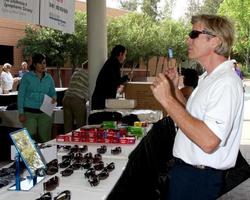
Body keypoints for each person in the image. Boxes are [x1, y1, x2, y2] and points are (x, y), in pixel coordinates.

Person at [151, 14, 244, 200]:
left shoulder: (226, 82)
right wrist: (175, 90)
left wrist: (167, 100)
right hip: (189, 174)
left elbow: (209, 141)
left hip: (199, 178)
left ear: (215, 41)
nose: (188, 39)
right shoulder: (209, 78)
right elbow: (193, 118)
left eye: (194, 33)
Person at [18, 53, 57, 143]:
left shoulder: (49, 78)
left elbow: (53, 93)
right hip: (29, 113)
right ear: (35, 65)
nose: (43, 65)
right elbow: (21, 95)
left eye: (44, 63)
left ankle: (46, 156)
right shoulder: (27, 77)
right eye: (40, 63)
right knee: (30, 138)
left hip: (45, 112)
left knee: (45, 139)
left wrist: (54, 97)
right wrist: (21, 112)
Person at [91, 44, 131, 110]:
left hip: (100, 99)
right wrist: (126, 77)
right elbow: (116, 81)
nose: (125, 57)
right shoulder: (114, 62)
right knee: (105, 120)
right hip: (102, 101)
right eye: (125, 55)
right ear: (120, 54)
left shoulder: (111, 61)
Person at [62, 62, 89, 133]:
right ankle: (79, 143)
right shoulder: (90, 74)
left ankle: (67, 143)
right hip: (78, 100)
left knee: (67, 127)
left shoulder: (76, 73)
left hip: (66, 98)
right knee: (80, 127)